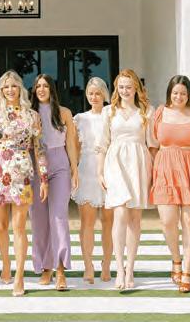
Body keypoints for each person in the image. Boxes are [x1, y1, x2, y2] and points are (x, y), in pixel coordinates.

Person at [0, 70, 48, 297]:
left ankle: (19, 276)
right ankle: (6, 263)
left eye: (14, 86)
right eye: (6, 86)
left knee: (19, 227)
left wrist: (44, 178)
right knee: (1, 226)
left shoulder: (32, 116)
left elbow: (39, 150)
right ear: (1, 90)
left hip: (22, 175)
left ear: (20, 89)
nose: (10, 90)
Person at [151, 75, 190, 293]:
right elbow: (153, 145)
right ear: (170, 93)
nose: (179, 97)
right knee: (167, 221)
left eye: (183, 93)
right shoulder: (160, 113)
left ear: (189, 94)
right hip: (165, 169)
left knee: (189, 222)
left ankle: (187, 270)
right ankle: (176, 259)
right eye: (175, 93)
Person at [98, 68, 152, 291]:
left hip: (138, 163)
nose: (125, 91)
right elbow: (102, 144)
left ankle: (130, 269)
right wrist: (100, 172)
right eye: (121, 87)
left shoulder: (146, 111)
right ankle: (119, 268)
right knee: (120, 213)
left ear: (136, 88)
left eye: (129, 87)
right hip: (115, 162)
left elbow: (152, 144)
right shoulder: (108, 111)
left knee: (135, 218)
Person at [29, 73, 78, 291]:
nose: (41, 89)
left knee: (58, 217)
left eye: (45, 86)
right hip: (34, 166)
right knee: (39, 220)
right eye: (38, 86)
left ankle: (60, 269)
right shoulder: (30, 113)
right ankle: (45, 266)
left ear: (52, 89)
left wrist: (74, 170)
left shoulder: (64, 112)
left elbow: (71, 143)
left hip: (60, 166)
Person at [72, 76, 113, 285]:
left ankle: (107, 264)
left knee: (108, 222)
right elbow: (75, 148)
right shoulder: (80, 118)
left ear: (105, 94)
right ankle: (88, 265)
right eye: (91, 93)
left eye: (98, 93)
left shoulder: (112, 115)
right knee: (87, 222)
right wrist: (74, 171)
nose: (94, 97)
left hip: (109, 169)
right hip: (87, 169)